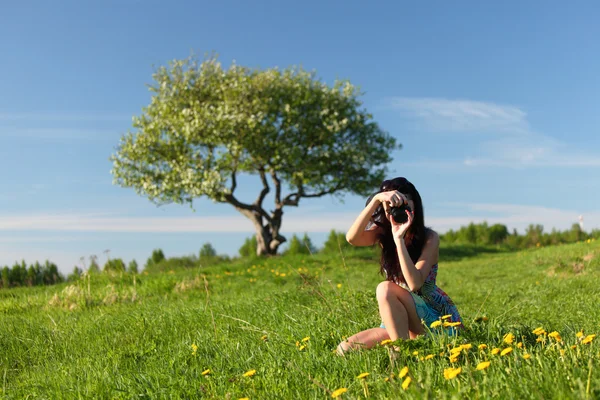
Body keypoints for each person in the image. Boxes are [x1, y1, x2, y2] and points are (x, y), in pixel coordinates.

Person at [337, 177, 462, 355]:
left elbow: (414, 284)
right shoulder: (382, 234)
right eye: (393, 205)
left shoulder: (429, 238)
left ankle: (400, 353)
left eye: (404, 203)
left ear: (415, 205)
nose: (399, 209)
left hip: (432, 318)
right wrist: (376, 200)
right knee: (345, 349)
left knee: (385, 288)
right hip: (400, 316)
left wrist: (399, 240)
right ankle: (405, 339)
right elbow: (352, 238)